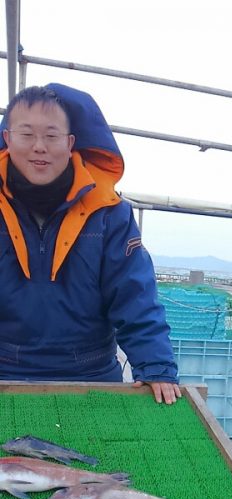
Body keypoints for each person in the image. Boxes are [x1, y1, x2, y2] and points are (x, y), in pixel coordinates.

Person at [0, 83, 181, 404]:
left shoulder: (110, 212)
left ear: (70, 143)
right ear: (8, 139)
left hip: (92, 374)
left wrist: (155, 365)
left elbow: (134, 294)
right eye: (26, 134)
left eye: (52, 135)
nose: (39, 147)